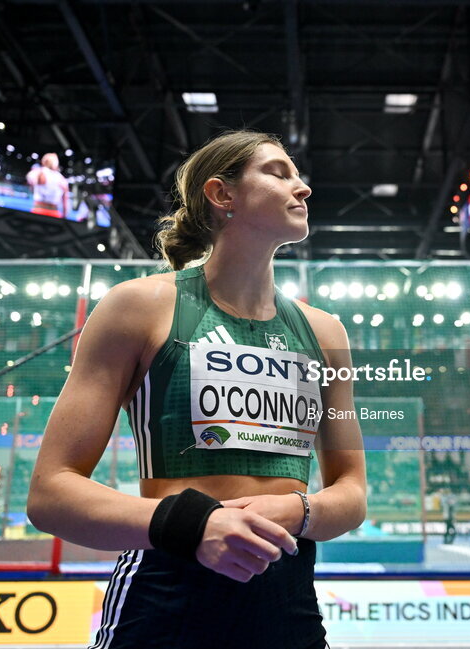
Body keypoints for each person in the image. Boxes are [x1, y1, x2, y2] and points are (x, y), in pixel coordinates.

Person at [28, 130, 367, 649]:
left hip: (288, 600)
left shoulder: (326, 332)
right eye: (279, 172)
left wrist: (301, 511)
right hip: (165, 592)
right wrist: (192, 525)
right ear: (222, 194)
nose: (303, 189)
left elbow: (353, 492)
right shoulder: (136, 307)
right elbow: (51, 492)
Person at [26, 152, 69, 218]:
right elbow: (65, 201)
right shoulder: (61, 179)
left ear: (44, 162)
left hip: (39, 211)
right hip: (53, 212)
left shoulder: (38, 173)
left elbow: (30, 180)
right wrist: (65, 215)